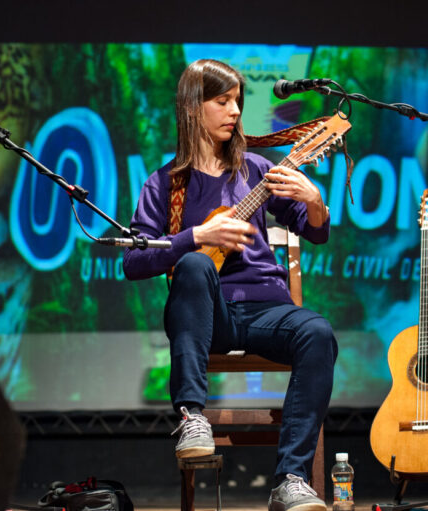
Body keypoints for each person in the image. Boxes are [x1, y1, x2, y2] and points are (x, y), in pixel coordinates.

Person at [123, 59, 338, 511]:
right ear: (192, 108)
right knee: (197, 267)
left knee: (318, 333)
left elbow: (315, 230)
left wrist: (314, 200)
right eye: (223, 101)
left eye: (238, 101)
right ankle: (192, 417)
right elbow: (134, 260)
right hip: (208, 316)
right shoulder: (165, 183)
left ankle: (291, 480)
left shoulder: (256, 169)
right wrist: (197, 237)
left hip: (265, 310)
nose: (235, 110)